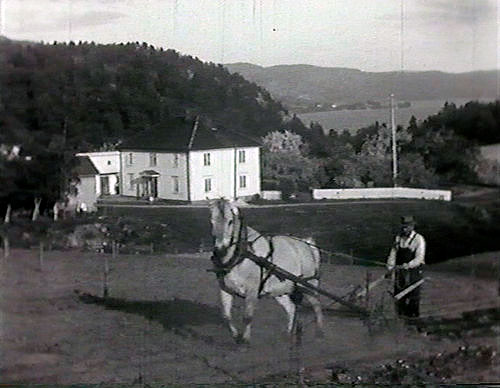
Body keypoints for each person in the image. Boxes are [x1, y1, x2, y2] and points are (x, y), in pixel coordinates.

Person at [387, 215, 426, 318]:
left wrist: (407, 266)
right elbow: (392, 255)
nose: (405, 229)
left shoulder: (419, 239)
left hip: (413, 273)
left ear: (412, 226)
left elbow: (419, 258)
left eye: (407, 226)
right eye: (403, 226)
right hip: (400, 274)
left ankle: (414, 322)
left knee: (413, 300)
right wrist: (390, 268)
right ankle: (400, 322)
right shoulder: (398, 238)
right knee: (399, 299)